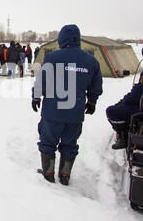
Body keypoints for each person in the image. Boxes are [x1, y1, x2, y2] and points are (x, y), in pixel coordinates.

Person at [32, 24, 103, 186]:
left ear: (61, 38)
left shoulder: (52, 57)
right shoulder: (91, 61)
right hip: (75, 113)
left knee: (48, 142)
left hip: (52, 112)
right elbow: (96, 85)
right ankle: (65, 175)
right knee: (70, 144)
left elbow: (42, 81)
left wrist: (36, 97)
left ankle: (48, 173)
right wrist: (92, 101)